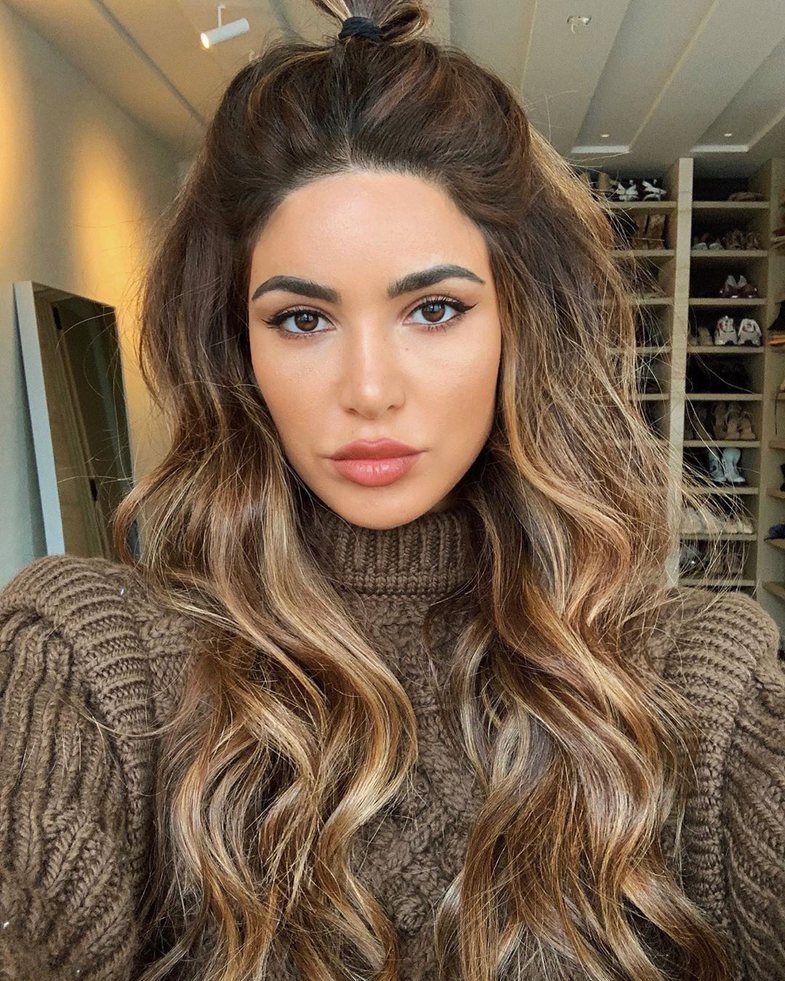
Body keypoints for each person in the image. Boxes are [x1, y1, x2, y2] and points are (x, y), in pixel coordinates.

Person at [1, 1, 783, 978]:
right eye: (302, 320)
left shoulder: (696, 679)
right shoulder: (92, 655)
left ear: (520, 325)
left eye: (434, 308)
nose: (368, 390)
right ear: (235, 346)